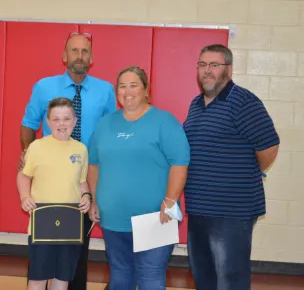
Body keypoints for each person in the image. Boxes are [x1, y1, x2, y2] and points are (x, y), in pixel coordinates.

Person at [19, 31, 117, 290]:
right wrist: (29, 156)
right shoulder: (43, 87)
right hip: (49, 185)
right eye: (74, 50)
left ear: (92, 58)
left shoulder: (106, 91)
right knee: (41, 253)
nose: (79, 56)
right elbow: (28, 124)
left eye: (85, 51)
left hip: (83, 180)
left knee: (76, 253)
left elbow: (111, 132)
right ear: (64, 56)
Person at [183, 44, 280, 290]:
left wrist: (242, 174)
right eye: (202, 65)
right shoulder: (196, 105)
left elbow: (269, 147)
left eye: (214, 65)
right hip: (198, 210)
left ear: (229, 69)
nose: (207, 71)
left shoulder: (243, 102)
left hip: (232, 213)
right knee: (204, 278)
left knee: (230, 281)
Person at [88, 65, 190, 290]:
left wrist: (170, 201)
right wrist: (95, 199)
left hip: (155, 217)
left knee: (150, 277)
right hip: (113, 218)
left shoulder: (165, 122)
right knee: (120, 274)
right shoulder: (105, 125)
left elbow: (179, 163)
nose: (127, 91)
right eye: (122, 86)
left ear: (146, 89)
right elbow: (93, 165)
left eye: (134, 85)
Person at [18, 97, 92, 290]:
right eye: (56, 119)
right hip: (42, 223)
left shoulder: (81, 150)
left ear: (74, 121)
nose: (61, 124)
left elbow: (82, 181)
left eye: (66, 118)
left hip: (70, 225)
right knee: (37, 278)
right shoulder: (37, 147)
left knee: (62, 278)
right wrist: (25, 197)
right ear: (48, 122)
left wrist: (86, 197)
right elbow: (23, 176)